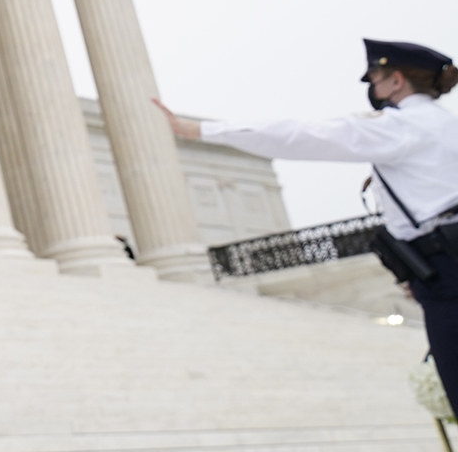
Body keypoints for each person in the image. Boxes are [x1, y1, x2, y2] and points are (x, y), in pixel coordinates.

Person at [157, 38, 458, 407]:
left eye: (375, 78)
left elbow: (303, 136)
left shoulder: (398, 127)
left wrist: (201, 130)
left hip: (445, 266)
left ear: (397, 81)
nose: (373, 89)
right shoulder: (445, 124)